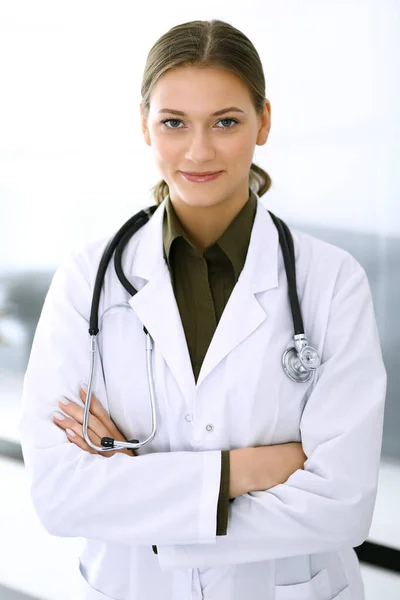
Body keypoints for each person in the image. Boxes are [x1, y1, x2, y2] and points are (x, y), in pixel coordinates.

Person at [19, 19, 387, 600]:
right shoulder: (86, 279)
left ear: (263, 121)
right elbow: (60, 495)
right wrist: (246, 471)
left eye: (226, 122)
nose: (198, 150)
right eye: (173, 123)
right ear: (145, 126)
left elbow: (341, 506)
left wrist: (140, 500)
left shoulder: (332, 282)